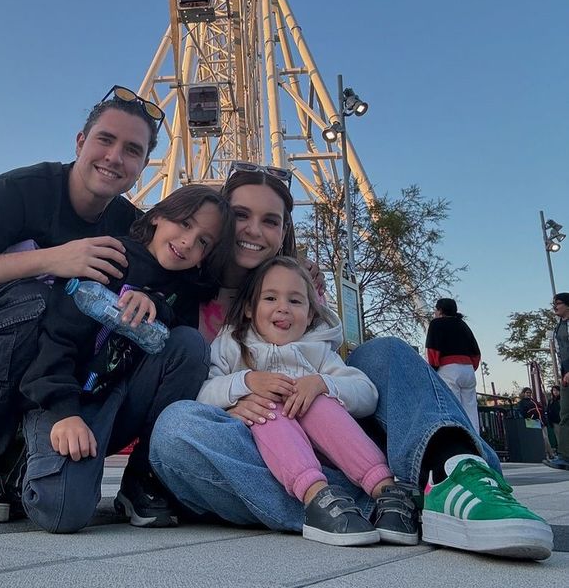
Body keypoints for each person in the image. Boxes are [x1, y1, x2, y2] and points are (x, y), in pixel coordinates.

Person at [150, 164, 554, 561]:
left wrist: (324, 384)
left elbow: (344, 377)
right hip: (249, 440)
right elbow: (197, 388)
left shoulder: (305, 298)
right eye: (240, 216)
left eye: (270, 221)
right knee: (175, 432)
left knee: (386, 351)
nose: (254, 230)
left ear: (283, 232)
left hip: (333, 435)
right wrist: (238, 397)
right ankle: (385, 501)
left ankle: (451, 470)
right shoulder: (185, 287)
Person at [0, 85, 209, 527]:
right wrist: (49, 259)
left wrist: (289, 274)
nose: (114, 157)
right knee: (34, 296)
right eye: (105, 140)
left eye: (132, 150)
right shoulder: (23, 190)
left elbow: (186, 276)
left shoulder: (127, 223)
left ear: (143, 167)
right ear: (80, 142)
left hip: (44, 369)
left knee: (144, 333)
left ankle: (28, 452)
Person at [16, 184, 232, 531]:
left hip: (119, 398)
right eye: (185, 223)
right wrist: (64, 412)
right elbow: (56, 338)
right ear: (158, 216)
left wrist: (157, 306)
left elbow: (179, 332)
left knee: (190, 344)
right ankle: (18, 458)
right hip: (67, 400)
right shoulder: (110, 258)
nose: (189, 242)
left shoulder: (186, 289)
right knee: (60, 512)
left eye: (204, 241)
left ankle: (143, 477)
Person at [199, 255, 418, 546]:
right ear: (250, 308)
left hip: (327, 448)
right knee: (268, 408)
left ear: (311, 314)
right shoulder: (232, 345)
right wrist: (246, 382)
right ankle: (316, 497)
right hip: (265, 445)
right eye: (270, 298)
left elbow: (366, 393)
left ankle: (386, 490)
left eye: (295, 301)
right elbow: (202, 393)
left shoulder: (317, 352)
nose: (283, 308)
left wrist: (321, 383)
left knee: (318, 401)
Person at [425, 298, 481, 432]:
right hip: (468, 370)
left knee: (452, 409)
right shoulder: (463, 325)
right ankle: (477, 443)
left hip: (448, 369)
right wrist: (470, 366)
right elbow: (476, 351)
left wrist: (433, 369)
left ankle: (458, 443)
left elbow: (432, 350)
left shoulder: (436, 324)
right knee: (471, 410)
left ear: (440, 310)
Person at [544, 292, 569, 470]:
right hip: (566, 375)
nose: (555, 307)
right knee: (565, 414)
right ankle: (565, 455)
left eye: (558, 303)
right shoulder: (558, 327)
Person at [546, 385, 561, 452]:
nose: (555, 392)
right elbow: (548, 411)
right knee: (558, 438)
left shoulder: (563, 399)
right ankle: (561, 452)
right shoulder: (551, 401)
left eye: (557, 390)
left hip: (564, 422)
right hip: (555, 423)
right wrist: (550, 422)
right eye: (554, 390)